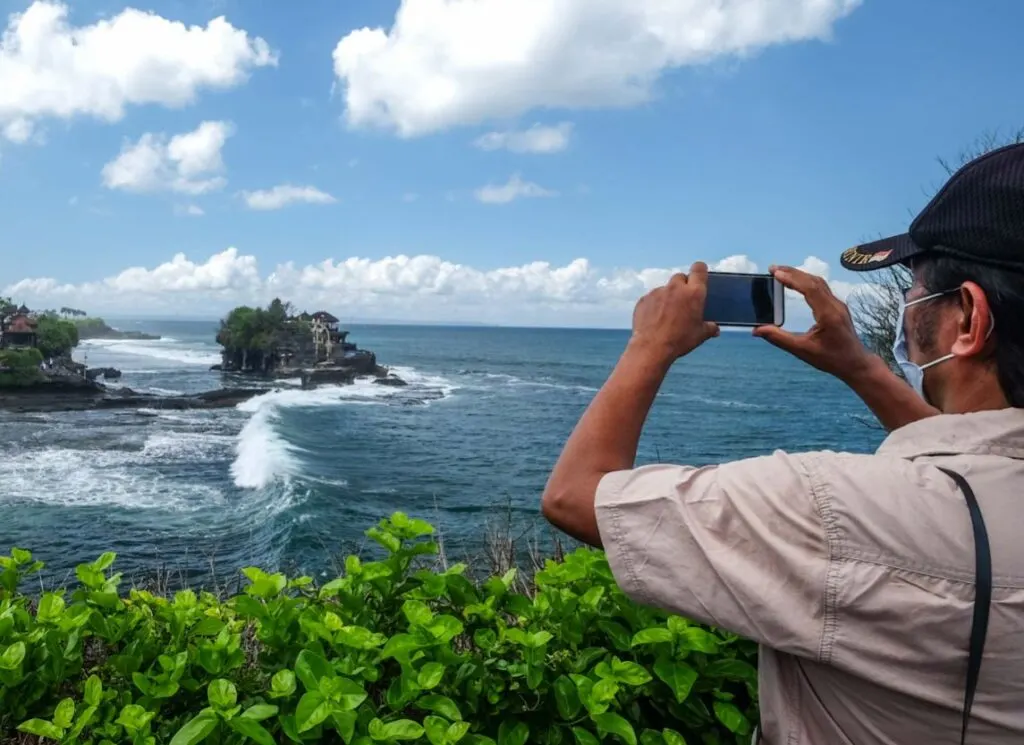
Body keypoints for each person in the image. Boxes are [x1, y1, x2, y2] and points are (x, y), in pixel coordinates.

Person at [541, 142, 1024, 744]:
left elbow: (575, 497)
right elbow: (972, 460)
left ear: (970, 320)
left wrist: (651, 344)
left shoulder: (833, 511)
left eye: (915, 289)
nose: (905, 307)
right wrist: (860, 367)